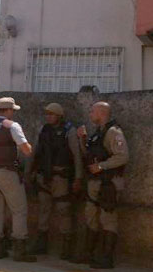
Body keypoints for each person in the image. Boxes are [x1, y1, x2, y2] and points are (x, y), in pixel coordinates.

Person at [0, 97, 37, 262]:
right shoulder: (12, 126)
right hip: (8, 172)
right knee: (19, 210)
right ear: (9, 110)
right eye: (13, 111)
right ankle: (19, 251)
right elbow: (26, 151)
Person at [74, 102, 128, 269]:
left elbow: (123, 156)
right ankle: (89, 254)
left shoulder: (113, 132)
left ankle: (106, 258)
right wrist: (82, 139)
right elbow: (89, 155)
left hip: (108, 183)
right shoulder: (98, 133)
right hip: (95, 183)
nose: (90, 113)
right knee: (91, 216)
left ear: (102, 112)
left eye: (92, 110)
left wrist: (101, 166)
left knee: (108, 219)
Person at [29, 103, 83, 259]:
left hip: (61, 177)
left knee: (64, 209)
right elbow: (36, 152)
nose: (48, 117)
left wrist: (78, 178)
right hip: (44, 176)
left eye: (51, 114)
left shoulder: (69, 131)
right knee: (44, 209)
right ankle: (41, 243)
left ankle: (67, 246)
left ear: (59, 115)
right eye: (47, 114)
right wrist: (29, 171)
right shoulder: (44, 130)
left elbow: (76, 156)